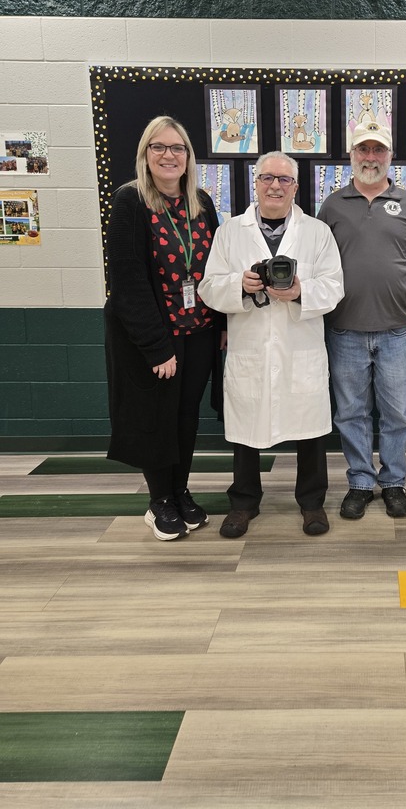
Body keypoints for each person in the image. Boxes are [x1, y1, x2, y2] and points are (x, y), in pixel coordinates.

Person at [198, 152, 344, 538]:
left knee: (310, 430)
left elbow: (334, 286)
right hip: (252, 346)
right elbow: (209, 286)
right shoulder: (230, 231)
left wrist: (300, 291)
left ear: (296, 187)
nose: (275, 185)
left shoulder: (317, 232)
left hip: (301, 348)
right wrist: (239, 287)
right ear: (255, 184)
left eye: (284, 179)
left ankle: (312, 503)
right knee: (247, 427)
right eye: (267, 178)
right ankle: (243, 503)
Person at [104, 115, 224, 541]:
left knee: (185, 417)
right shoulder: (131, 201)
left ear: (188, 157)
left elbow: (217, 269)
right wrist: (157, 347)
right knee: (158, 418)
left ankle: (179, 489)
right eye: (159, 147)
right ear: (145, 155)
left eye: (178, 148)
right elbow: (127, 281)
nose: (169, 155)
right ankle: (159, 502)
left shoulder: (202, 203)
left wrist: (222, 324)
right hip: (155, 337)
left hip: (200, 329)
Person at [317, 121, 406, 520]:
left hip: (397, 329)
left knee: (397, 411)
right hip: (344, 329)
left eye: (378, 150)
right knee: (351, 412)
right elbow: (317, 263)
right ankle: (361, 482)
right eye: (363, 150)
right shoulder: (332, 205)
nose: (370, 157)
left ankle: (394, 481)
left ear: (389, 156)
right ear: (351, 156)